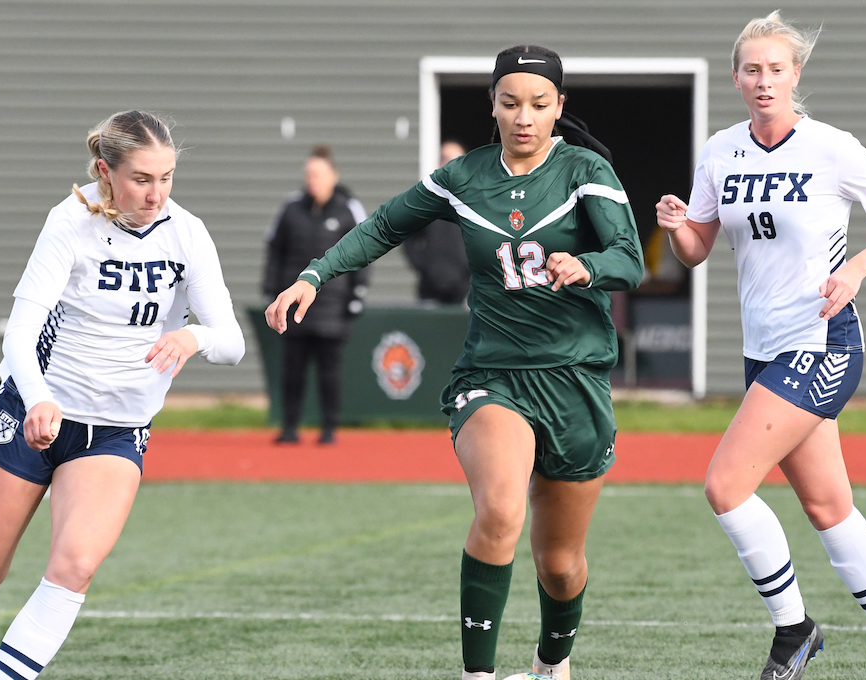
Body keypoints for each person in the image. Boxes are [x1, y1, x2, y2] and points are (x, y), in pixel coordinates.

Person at [267, 45, 644, 680]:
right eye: (510, 102)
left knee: (559, 563)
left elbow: (630, 259)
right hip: (492, 375)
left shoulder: (586, 171)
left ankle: (553, 662)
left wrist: (588, 266)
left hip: (575, 378)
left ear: (560, 108)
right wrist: (314, 273)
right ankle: (477, 675)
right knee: (499, 510)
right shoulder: (464, 177)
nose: (524, 117)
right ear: (492, 106)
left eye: (539, 104)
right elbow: (383, 225)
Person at [655, 12, 866, 680]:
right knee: (827, 506)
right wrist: (674, 226)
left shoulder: (831, 146)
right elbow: (695, 250)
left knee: (725, 485)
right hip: (764, 349)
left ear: (795, 75)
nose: (764, 80)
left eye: (776, 68)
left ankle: (794, 630)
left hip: (823, 342)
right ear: (736, 78)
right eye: (752, 69)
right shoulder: (721, 150)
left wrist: (859, 269)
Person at [0, 110, 244, 678]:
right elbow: (20, 335)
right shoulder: (69, 221)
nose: (157, 195)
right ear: (106, 172)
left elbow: (232, 344)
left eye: (168, 177)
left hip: (116, 431)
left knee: (75, 565)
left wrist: (193, 335)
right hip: (34, 413)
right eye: (142, 180)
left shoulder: (187, 232)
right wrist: (37, 399)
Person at [262, 144, 369, 444]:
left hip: (332, 310)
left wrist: (356, 295)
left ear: (333, 176)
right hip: (295, 309)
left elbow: (362, 255)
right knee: (292, 370)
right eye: (309, 174)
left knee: (329, 372)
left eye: (319, 175)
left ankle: (329, 428)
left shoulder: (348, 210)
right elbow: (275, 251)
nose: (313, 180)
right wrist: (271, 290)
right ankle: (290, 426)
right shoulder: (291, 209)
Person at [402, 140, 472, 305]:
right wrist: (426, 267)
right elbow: (407, 238)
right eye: (445, 158)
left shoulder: (475, 201)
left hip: (466, 289)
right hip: (430, 288)